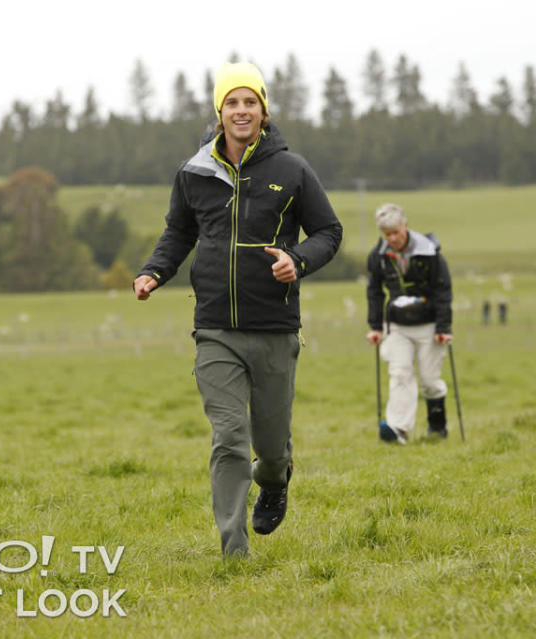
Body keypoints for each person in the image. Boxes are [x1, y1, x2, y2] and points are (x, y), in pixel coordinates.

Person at [133, 62, 342, 558]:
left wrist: (297, 260)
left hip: (273, 328)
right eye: (232, 102)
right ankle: (234, 549)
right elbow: (179, 232)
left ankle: (275, 478)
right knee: (229, 436)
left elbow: (329, 233)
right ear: (219, 111)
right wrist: (154, 271)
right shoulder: (195, 171)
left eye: (251, 102)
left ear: (264, 111)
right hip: (215, 330)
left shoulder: (291, 170)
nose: (241, 110)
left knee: (269, 447)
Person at [365, 203, 453, 444]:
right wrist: (375, 326)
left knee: (429, 379)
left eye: (396, 232)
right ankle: (398, 430)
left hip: (429, 325)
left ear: (405, 226)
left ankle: (437, 427)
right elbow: (374, 291)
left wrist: (444, 328)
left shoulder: (430, 252)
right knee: (400, 373)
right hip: (397, 326)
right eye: (387, 234)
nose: (392, 238)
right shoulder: (378, 256)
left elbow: (443, 290)